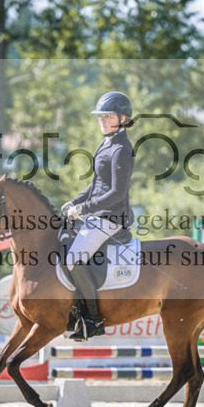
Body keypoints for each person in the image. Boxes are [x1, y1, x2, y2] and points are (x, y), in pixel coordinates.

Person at [61, 91, 136, 341]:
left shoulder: (122, 150)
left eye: (108, 116)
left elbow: (116, 193)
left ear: (123, 118)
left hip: (112, 217)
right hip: (98, 212)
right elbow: (96, 185)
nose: (102, 120)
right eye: (100, 116)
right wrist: (75, 201)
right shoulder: (106, 143)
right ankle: (73, 309)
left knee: (73, 260)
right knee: (62, 238)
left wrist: (84, 209)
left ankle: (93, 319)